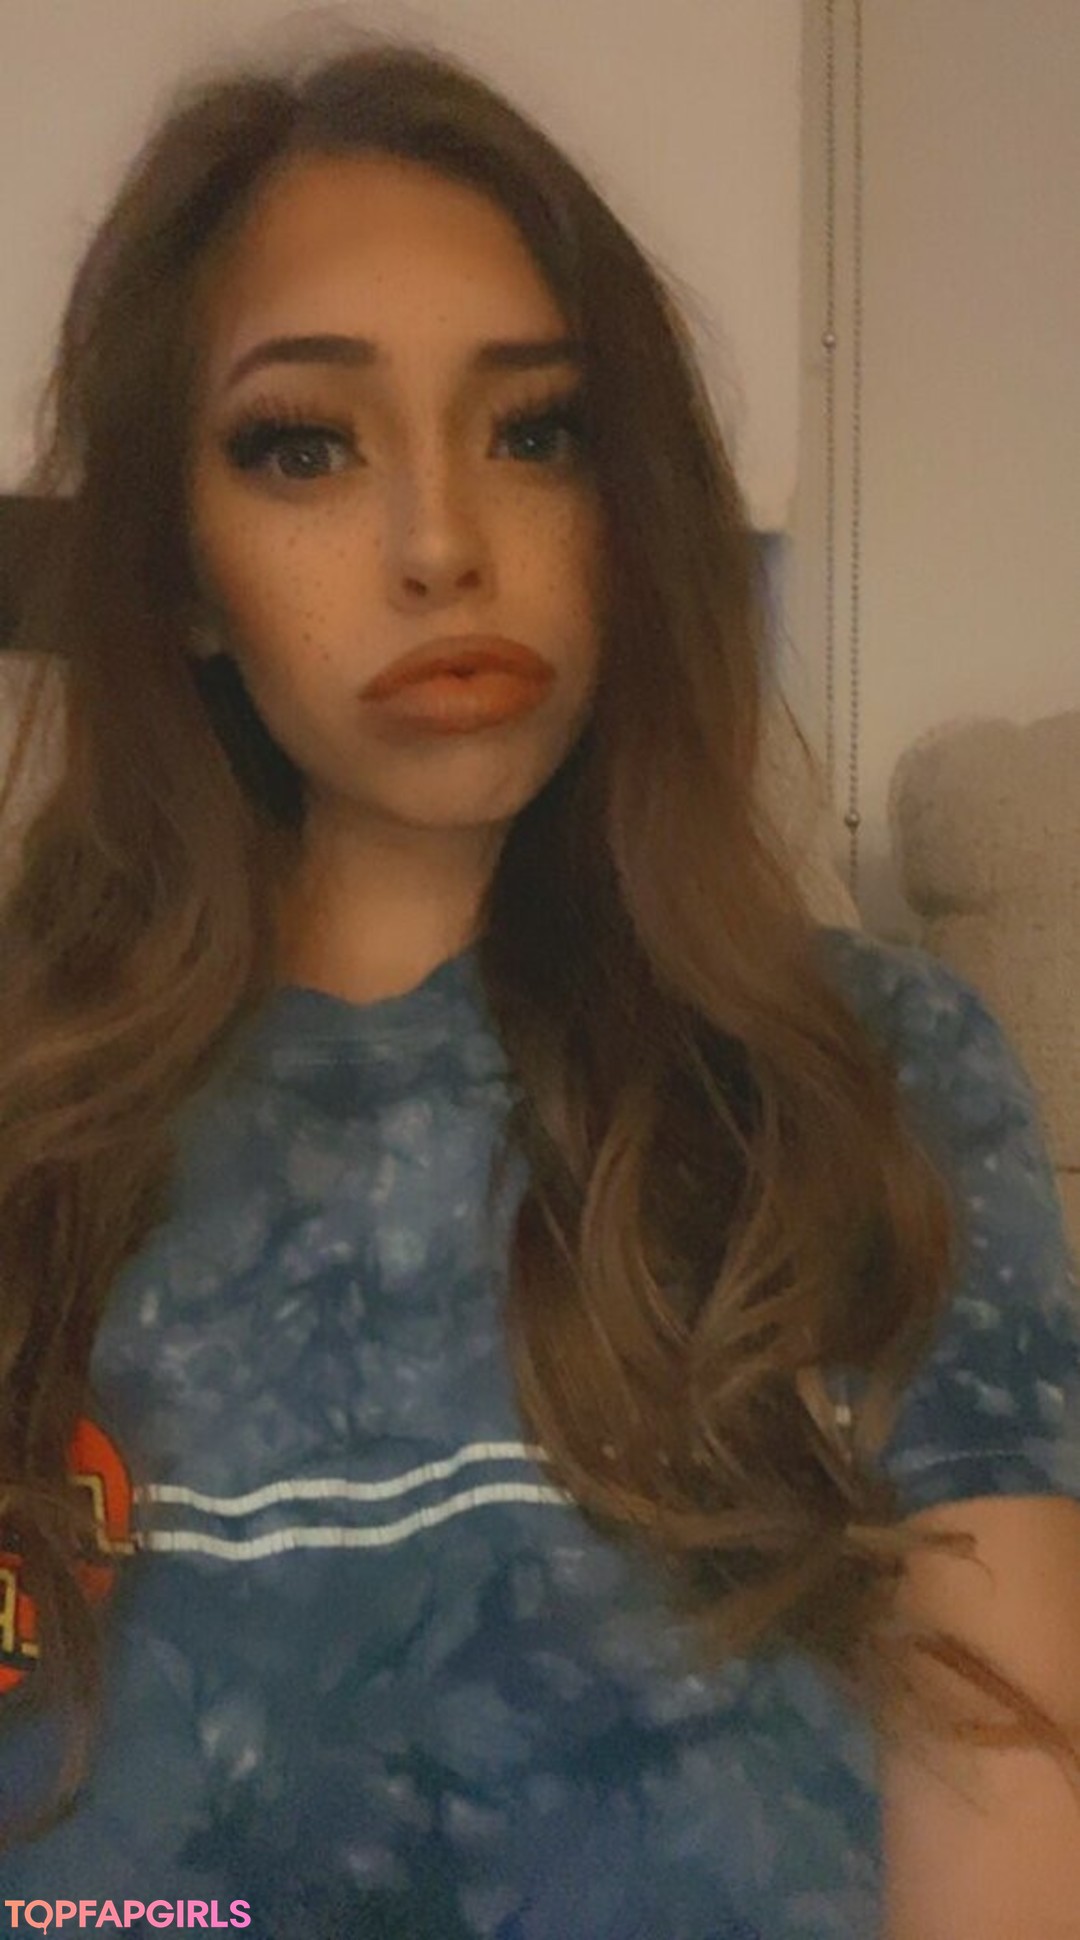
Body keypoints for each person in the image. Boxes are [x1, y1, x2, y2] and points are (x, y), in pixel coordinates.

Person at [1, 31, 1079, 1940]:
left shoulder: (878, 1077)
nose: (443, 544)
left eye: (537, 432)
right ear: (177, 573)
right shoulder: (35, 1125)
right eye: (304, 445)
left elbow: (1008, 1852)